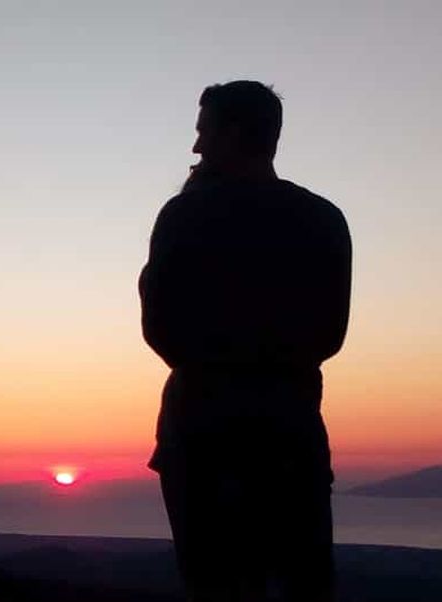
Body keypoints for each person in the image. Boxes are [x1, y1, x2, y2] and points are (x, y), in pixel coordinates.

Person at [139, 81, 352, 601]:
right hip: (292, 431)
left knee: (212, 587)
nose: (195, 148)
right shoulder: (325, 219)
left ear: (232, 134)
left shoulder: (184, 215)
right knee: (303, 587)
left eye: (203, 132)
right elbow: (331, 334)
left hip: (201, 435)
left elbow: (159, 327)